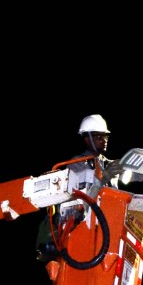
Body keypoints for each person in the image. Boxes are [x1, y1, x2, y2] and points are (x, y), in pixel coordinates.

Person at [37, 113, 119, 264]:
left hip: (105, 227)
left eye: (105, 137)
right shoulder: (78, 164)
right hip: (81, 225)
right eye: (99, 137)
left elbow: (134, 173)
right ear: (88, 139)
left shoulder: (110, 165)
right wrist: (103, 178)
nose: (104, 140)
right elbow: (79, 196)